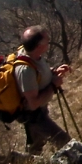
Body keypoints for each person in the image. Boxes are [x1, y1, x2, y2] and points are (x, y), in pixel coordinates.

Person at [11, 25, 72, 154]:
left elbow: (38, 74)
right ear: (39, 45)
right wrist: (53, 85)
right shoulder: (25, 70)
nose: (49, 41)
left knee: (35, 147)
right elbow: (33, 104)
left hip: (38, 113)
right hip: (35, 116)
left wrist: (53, 72)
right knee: (66, 144)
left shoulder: (33, 56)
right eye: (47, 40)